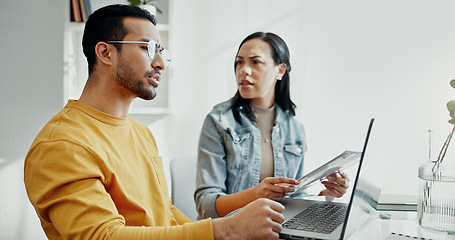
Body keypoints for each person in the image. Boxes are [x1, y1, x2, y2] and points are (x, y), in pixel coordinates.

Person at [24, 5, 286, 240]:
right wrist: (228, 229)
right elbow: (103, 236)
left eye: (162, 52)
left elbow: (165, 211)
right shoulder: (62, 145)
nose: (160, 63)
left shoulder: (141, 133)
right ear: (105, 52)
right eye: (148, 48)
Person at [195, 32, 350, 219]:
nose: (244, 70)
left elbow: (296, 197)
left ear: (280, 70)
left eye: (255, 62)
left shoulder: (295, 129)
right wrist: (256, 194)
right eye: (239, 62)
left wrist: (326, 197)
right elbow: (206, 205)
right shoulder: (219, 121)